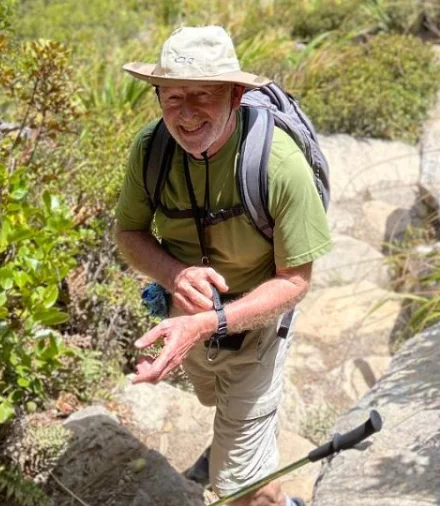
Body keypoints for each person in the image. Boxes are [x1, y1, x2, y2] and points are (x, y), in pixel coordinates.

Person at [114, 25, 331, 506]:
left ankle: (256, 481)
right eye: (172, 97)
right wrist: (175, 275)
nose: (186, 115)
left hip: (257, 325)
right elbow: (127, 233)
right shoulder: (151, 151)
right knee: (212, 400)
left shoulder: (277, 164)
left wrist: (213, 320)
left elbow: (296, 281)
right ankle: (254, 462)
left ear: (235, 95)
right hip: (187, 319)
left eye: (202, 96)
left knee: (238, 487)